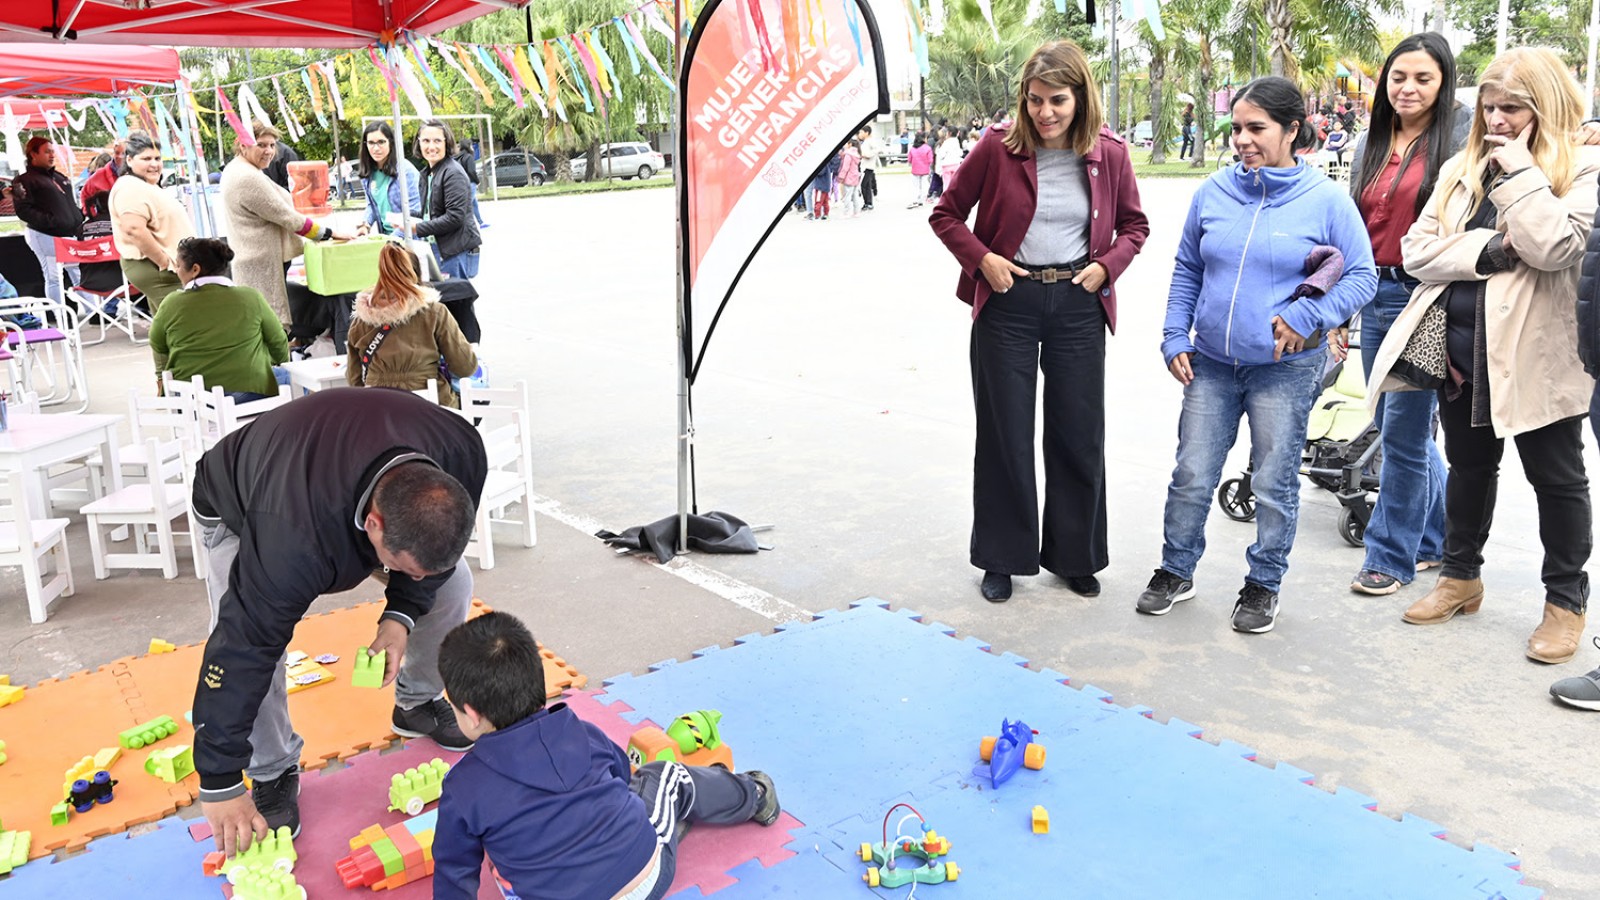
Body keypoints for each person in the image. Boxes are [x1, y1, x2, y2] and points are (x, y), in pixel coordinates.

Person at [1367, 47, 1599, 665]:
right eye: (1490, 107)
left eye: (1513, 109)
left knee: (1557, 478)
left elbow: (1555, 246)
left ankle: (1564, 604)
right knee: (1469, 469)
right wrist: (1490, 250)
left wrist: (1522, 172)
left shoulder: (1583, 168)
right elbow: (1416, 252)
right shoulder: (1463, 164)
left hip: (1539, 356)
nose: (1496, 120)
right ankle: (1460, 578)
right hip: (1462, 350)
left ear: (1545, 108)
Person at [191, 388, 487, 857]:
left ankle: (416, 703)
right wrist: (219, 779)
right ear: (373, 526)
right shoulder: (291, 537)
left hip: (338, 474)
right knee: (257, 638)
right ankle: (271, 768)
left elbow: (433, 563)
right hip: (241, 504)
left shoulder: (461, 451)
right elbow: (243, 646)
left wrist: (401, 615)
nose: (413, 578)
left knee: (452, 584)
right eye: (404, 568)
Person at [1141, 76, 1376, 633]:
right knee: (1193, 473)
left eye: (1257, 129)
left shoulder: (1326, 200)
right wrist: (1175, 335)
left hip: (1286, 370)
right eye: (1237, 128)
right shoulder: (1214, 192)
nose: (1243, 140)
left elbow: (1362, 276)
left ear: (1293, 131)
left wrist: (1307, 315)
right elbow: (1188, 269)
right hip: (1212, 364)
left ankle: (1263, 584)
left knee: (1273, 482)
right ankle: (1177, 570)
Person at [929, 40, 1149, 603]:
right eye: (1034, 101)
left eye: (1057, 101)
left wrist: (1108, 267)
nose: (1044, 113)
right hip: (1008, 303)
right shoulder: (996, 149)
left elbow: (1134, 227)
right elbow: (946, 213)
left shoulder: (1110, 154)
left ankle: (1075, 556)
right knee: (1005, 434)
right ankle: (1003, 557)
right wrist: (983, 260)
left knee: (1079, 433)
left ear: (1081, 98)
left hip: (1078, 303)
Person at [430, 611, 781, 900]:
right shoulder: (583, 733)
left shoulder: (462, 785)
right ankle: (756, 796)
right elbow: (624, 777)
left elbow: (453, 871)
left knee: (501, 856)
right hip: (640, 882)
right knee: (665, 775)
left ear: (471, 713)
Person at [220, 124, 350, 325]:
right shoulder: (247, 176)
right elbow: (287, 217)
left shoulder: (240, 168)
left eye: (272, 145)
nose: (269, 151)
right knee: (272, 324)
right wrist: (328, 233)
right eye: (261, 145)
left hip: (256, 259)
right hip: (261, 263)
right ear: (242, 145)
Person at [149, 237, 288, 401]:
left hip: (193, 400)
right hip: (249, 393)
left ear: (195, 269)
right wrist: (268, 361)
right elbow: (279, 343)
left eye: (178, 265)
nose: (177, 271)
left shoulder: (172, 303)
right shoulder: (250, 297)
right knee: (290, 376)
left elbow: (157, 342)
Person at [346, 242, 477, 408]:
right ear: (416, 275)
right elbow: (465, 366)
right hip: (430, 408)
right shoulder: (434, 312)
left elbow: (354, 380)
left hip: (378, 411)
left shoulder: (360, 320)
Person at [109, 132, 194, 311]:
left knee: (169, 326)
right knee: (185, 324)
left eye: (157, 158)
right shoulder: (130, 187)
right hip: (157, 267)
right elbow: (133, 229)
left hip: (165, 267)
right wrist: (164, 262)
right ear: (130, 160)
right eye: (146, 158)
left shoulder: (145, 185)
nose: (154, 164)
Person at [11, 136, 84, 304]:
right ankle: (60, 315)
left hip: (68, 233)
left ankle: (94, 313)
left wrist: (78, 217)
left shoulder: (59, 177)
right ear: (33, 154)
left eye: (53, 151)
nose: (52, 155)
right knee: (53, 276)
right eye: (47, 152)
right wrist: (52, 222)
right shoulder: (23, 180)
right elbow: (23, 210)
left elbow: (69, 203)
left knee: (78, 272)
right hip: (44, 234)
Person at [409, 120, 482, 279]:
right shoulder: (428, 173)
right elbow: (431, 212)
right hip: (438, 247)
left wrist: (418, 228)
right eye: (426, 141)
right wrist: (408, 216)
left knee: (456, 301)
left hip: (455, 250)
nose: (431, 147)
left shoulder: (452, 173)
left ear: (446, 143)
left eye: (437, 141)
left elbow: (454, 217)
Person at [356, 121, 421, 237]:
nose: (376, 148)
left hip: (408, 238)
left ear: (390, 142)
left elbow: (415, 211)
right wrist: (365, 224)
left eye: (381, 142)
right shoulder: (368, 174)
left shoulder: (406, 171)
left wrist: (393, 239)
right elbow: (372, 205)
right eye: (371, 143)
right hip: (385, 236)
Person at [455, 140, 487, 228]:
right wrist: (477, 181)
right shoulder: (469, 157)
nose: (473, 147)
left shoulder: (459, 157)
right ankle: (462, 224)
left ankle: (481, 222)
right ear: (468, 146)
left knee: (474, 204)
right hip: (470, 183)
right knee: (467, 204)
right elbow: (471, 171)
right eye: (471, 145)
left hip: (462, 183)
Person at [836, 141, 863, 218]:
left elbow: (845, 167)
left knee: (847, 195)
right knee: (855, 195)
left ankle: (846, 213)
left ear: (850, 144)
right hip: (855, 176)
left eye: (847, 143)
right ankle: (856, 212)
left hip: (849, 177)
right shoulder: (857, 154)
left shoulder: (848, 155)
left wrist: (841, 177)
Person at [858, 127, 880, 210]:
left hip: (868, 166)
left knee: (864, 185)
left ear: (866, 133)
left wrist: (867, 155)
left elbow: (877, 149)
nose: (860, 134)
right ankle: (868, 203)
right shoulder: (865, 142)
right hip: (864, 166)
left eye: (861, 132)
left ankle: (868, 203)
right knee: (867, 185)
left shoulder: (871, 141)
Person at [908, 134, 934, 207]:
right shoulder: (928, 148)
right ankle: (922, 200)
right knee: (925, 185)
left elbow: (909, 159)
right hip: (925, 170)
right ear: (923, 139)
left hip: (915, 170)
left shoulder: (912, 148)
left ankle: (915, 199)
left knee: (915, 186)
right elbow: (930, 160)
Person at [935, 126, 963, 195]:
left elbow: (941, 154)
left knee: (946, 183)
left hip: (946, 165)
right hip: (956, 164)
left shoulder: (946, 142)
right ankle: (955, 196)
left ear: (949, 133)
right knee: (955, 183)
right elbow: (960, 153)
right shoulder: (957, 141)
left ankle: (946, 197)